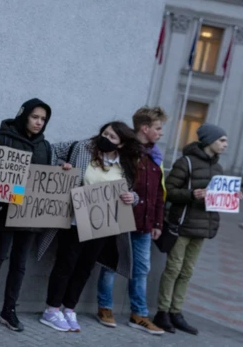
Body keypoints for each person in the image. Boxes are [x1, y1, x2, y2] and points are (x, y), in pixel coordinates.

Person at [39, 121, 142, 333]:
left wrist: (133, 197)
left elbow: (131, 192)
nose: (106, 138)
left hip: (104, 223)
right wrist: (62, 167)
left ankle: (69, 308)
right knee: (66, 264)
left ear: (121, 144)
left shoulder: (125, 164)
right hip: (75, 219)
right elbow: (51, 149)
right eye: (105, 133)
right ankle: (51, 309)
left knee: (85, 267)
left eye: (112, 137)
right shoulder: (83, 148)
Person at [153, 123, 242, 335]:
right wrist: (192, 194)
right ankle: (162, 312)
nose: (225, 145)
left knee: (187, 272)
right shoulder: (186, 163)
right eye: (222, 140)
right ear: (209, 140)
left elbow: (216, 198)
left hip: (202, 227)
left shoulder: (218, 168)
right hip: (182, 224)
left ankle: (176, 312)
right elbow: (169, 191)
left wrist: (232, 197)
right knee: (173, 269)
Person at [0, 98, 59, 332]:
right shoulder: (5, 139)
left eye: (43, 119)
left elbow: (44, 179)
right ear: (24, 115)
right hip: (4, 211)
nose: (38, 122)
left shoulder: (45, 147)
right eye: (35, 117)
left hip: (29, 216)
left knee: (20, 263)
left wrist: (60, 170)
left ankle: (10, 309)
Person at [95, 107, 168, 334]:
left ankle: (139, 314)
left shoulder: (156, 157)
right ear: (145, 129)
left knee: (142, 268)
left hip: (145, 225)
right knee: (111, 263)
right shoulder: (126, 153)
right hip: (121, 218)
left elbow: (158, 193)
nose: (161, 133)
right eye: (158, 128)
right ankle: (104, 307)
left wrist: (157, 223)